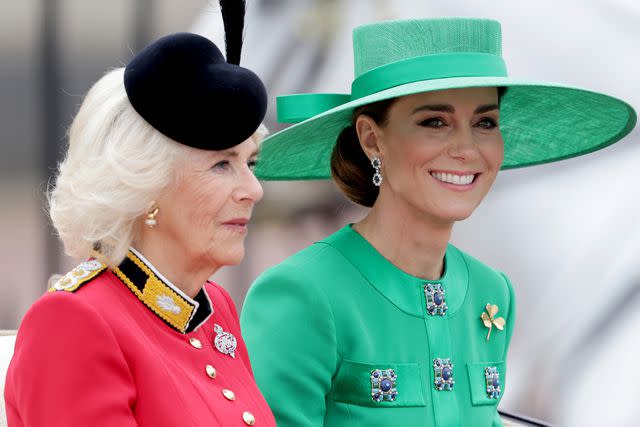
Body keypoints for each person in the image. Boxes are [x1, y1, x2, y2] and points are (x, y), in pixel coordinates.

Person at [239, 17, 636, 427]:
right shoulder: (301, 295)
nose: (466, 149)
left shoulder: (491, 292)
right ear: (372, 138)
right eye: (434, 122)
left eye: (485, 122)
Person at [4, 2, 276, 426]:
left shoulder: (212, 305)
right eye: (222, 164)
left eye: (251, 163)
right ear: (146, 185)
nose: (253, 190)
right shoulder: (73, 323)